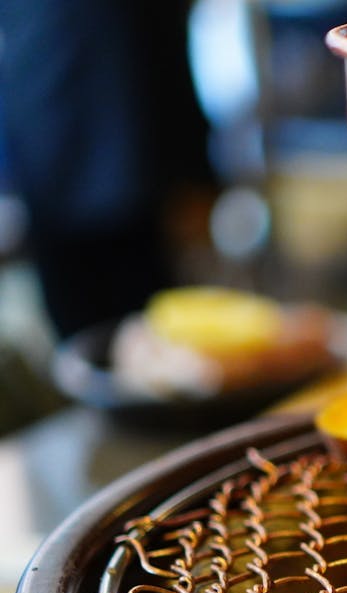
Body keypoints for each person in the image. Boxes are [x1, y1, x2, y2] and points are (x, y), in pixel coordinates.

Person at [0, 0, 215, 339]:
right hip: (50, 161)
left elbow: (162, 36)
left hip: (133, 171)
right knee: (88, 340)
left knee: (153, 338)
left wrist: (196, 171)